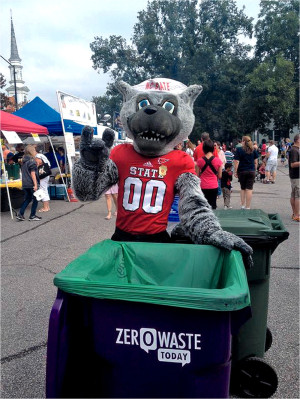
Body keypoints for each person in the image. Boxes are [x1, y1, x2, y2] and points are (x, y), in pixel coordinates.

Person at [16, 145, 42, 221]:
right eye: (34, 150)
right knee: (35, 199)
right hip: (31, 183)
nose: (35, 152)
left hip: (25, 183)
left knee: (27, 199)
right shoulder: (32, 162)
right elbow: (33, 174)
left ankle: (21, 214)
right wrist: (35, 184)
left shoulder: (23, 161)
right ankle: (32, 215)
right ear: (31, 152)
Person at [234, 136, 259, 209]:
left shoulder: (239, 150)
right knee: (249, 189)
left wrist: (235, 171)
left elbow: (236, 161)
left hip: (242, 171)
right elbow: (256, 162)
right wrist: (255, 169)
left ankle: (242, 205)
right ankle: (248, 207)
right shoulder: (253, 150)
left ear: (244, 141)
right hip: (251, 171)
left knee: (243, 188)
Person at [197, 139, 223, 209]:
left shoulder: (199, 161)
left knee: (203, 207)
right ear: (213, 148)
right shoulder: (218, 161)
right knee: (213, 206)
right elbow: (220, 176)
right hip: (214, 186)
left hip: (203, 186)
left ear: (204, 148)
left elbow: (197, 175)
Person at [288, 134, 300, 222]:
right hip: (296, 175)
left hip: (295, 175)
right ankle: (296, 214)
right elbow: (293, 164)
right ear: (298, 140)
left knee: (294, 194)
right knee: (297, 195)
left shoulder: (295, 150)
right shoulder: (294, 150)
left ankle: (294, 213)